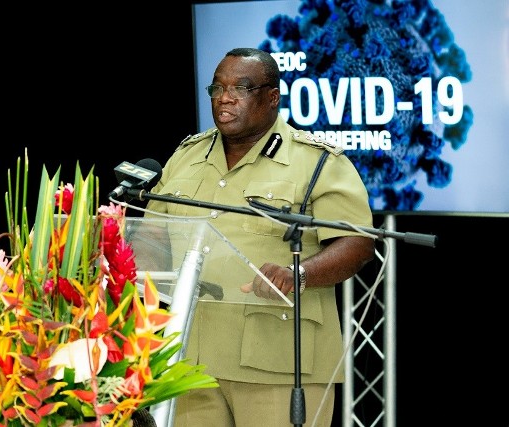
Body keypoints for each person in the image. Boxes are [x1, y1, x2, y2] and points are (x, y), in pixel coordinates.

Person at [143, 47, 375, 427]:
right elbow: (155, 235)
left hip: (278, 362)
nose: (226, 97)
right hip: (188, 359)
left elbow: (358, 243)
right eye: (217, 88)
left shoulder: (316, 161)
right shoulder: (186, 156)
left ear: (272, 98)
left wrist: (298, 274)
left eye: (241, 88)